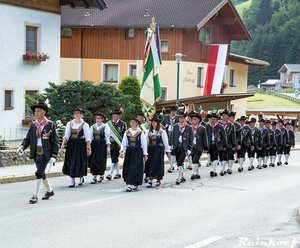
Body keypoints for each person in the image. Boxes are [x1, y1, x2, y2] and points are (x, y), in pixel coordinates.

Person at [17, 102, 59, 204]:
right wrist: (22, 146)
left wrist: (54, 155)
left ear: (44, 112)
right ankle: (50, 191)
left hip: (46, 153)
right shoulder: (33, 125)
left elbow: (55, 141)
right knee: (42, 173)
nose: (36, 112)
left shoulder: (50, 125)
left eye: (39, 110)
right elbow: (28, 139)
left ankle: (35, 195)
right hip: (36, 153)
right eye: (35, 111)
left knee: (39, 172)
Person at [61, 107, 91, 187]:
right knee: (71, 161)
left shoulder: (85, 124)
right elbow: (66, 135)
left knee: (80, 161)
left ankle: (81, 177)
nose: (77, 115)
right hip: (71, 144)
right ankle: (72, 180)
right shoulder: (70, 123)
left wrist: (88, 148)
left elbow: (88, 138)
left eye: (79, 113)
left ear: (81, 114)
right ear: (74, 115)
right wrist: (62, 145)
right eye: (76, 113)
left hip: (80, 144)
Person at [119, 116, 148, 192]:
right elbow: (124, 142)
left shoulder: (140, 133)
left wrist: (145, 154)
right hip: (129, 151)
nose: (132, 124)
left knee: (135, 167)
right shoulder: (127, 132)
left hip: (138, 151)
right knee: (129, 167)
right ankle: (129, 184)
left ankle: (135, 183)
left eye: (134, 122)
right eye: (131, 122)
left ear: (137, 124)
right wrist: (122, 151)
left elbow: (144, 144)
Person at [145, 115, 170, 188]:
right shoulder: (148, 131)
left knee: (158, 164)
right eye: (152, 122)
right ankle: (150, 179)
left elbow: (166, 142)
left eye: (155, 122)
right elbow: (146, 141)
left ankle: (158, 179)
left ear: (158, 123)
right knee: (150, 164)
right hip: (150, 149)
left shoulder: (162, 132)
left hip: (159, 149)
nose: (153, 124)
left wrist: (167, 151)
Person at [171, 110, 193, 185]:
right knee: (178, 162)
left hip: (184, 147)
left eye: (182, 117)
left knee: (180, 161)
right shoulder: (175, 127)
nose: (180, 119)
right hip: (176, 147)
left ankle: (179, 177)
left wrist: (190, 148)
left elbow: (191, 139)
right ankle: (182, 176)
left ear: (184, 118)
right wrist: (171, 145)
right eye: (179, 118)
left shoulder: (188, 127)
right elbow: (172, 137)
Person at [88, 112, 110, 184]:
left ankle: (101, 175)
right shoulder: (92, 127)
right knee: (94, 160)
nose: (98, 119)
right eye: (97, 118)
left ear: (102, 119)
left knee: (101, 160)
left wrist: (108, 148)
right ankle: (94, 177)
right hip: (94, 145)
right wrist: (88, 146)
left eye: (99, 118)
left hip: (102, 145)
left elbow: (107, 137)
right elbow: (90, 137)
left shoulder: (105, 127)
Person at [106, 110, 127, 180]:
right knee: (114, 158)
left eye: (117, 115)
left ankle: (110, 174)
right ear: (112, 116)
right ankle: (118, 173)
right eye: (114, 115)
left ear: (119, 116)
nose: (115, 117)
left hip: (118, 144)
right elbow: (106, 135)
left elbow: (125, 135)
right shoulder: (108, 124)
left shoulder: (123, 124)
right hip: (111, 143)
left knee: (114, 158)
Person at [205, 112, 227, 177]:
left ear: (216, 119)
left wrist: (225, 145)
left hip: (217, 144)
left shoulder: (220, 127)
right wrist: (205, 145)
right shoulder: (207, 126)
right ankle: (213, 169)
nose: (212, 120)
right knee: (211, 157)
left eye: (214, 119)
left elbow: (224, 136)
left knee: (215, 156)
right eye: (211, 119)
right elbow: (204, 136)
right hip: (209, 144)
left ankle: (214, 171)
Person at [190, 112, 208, 180]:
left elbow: (205, 138)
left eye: (195, 119)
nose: (193, 120)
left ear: (198, 120)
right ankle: (197, 174)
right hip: (192, 146)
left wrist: (205, 147)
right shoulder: (190, 128)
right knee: (193, 160)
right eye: (192, 119)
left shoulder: (202, 128)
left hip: (199, 146)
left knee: (195, 159)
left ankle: (194, 173)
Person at [161, 106, 179, 173]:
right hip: (167, 135)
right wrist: (164, 126)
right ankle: (171, 165)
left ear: (175, 112)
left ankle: (177, 163)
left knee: (175, 150)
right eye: (171, 111)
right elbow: (161, 124)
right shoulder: (166, 117)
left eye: (174, 111)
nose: (172, 112)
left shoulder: (177, 118)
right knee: (168, 150)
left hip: (175, 135)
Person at [219, 109, 236, 176]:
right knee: (221, 156)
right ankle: (223, 168)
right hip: (221, 144)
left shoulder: (231, 125)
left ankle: (229, 168)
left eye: (225, 115)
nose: (223, 116)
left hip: (229, 143)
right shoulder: (219, 124)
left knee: (230, 156)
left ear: (227, 116)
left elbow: (233, 136)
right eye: (222, 115)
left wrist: (234, 144)